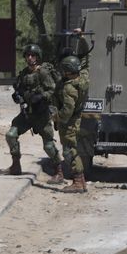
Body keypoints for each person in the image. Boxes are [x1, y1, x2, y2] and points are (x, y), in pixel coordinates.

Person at [4, 43, 62, 178]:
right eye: (28, 55)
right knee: (11, 135)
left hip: (42, 115)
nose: (30, 58)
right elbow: (20, 89)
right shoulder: (24, 73)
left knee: (48, 146)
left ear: (38, 57)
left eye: (33, 55)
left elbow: (52, 90)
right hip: (27, 114)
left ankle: (59, 171)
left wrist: (41, 96)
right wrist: (18, 95)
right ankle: (15, 165)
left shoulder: (43, 72)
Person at [53, 55, 89, 193]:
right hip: (76, 119)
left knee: (70, 151)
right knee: (71, 148)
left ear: (68, 70)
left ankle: (78, 182)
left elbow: (67, 111)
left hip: (69, 122)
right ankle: (81, 182)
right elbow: (87, 64)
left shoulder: (69, 89)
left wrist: (56, 117)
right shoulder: (83, 79)